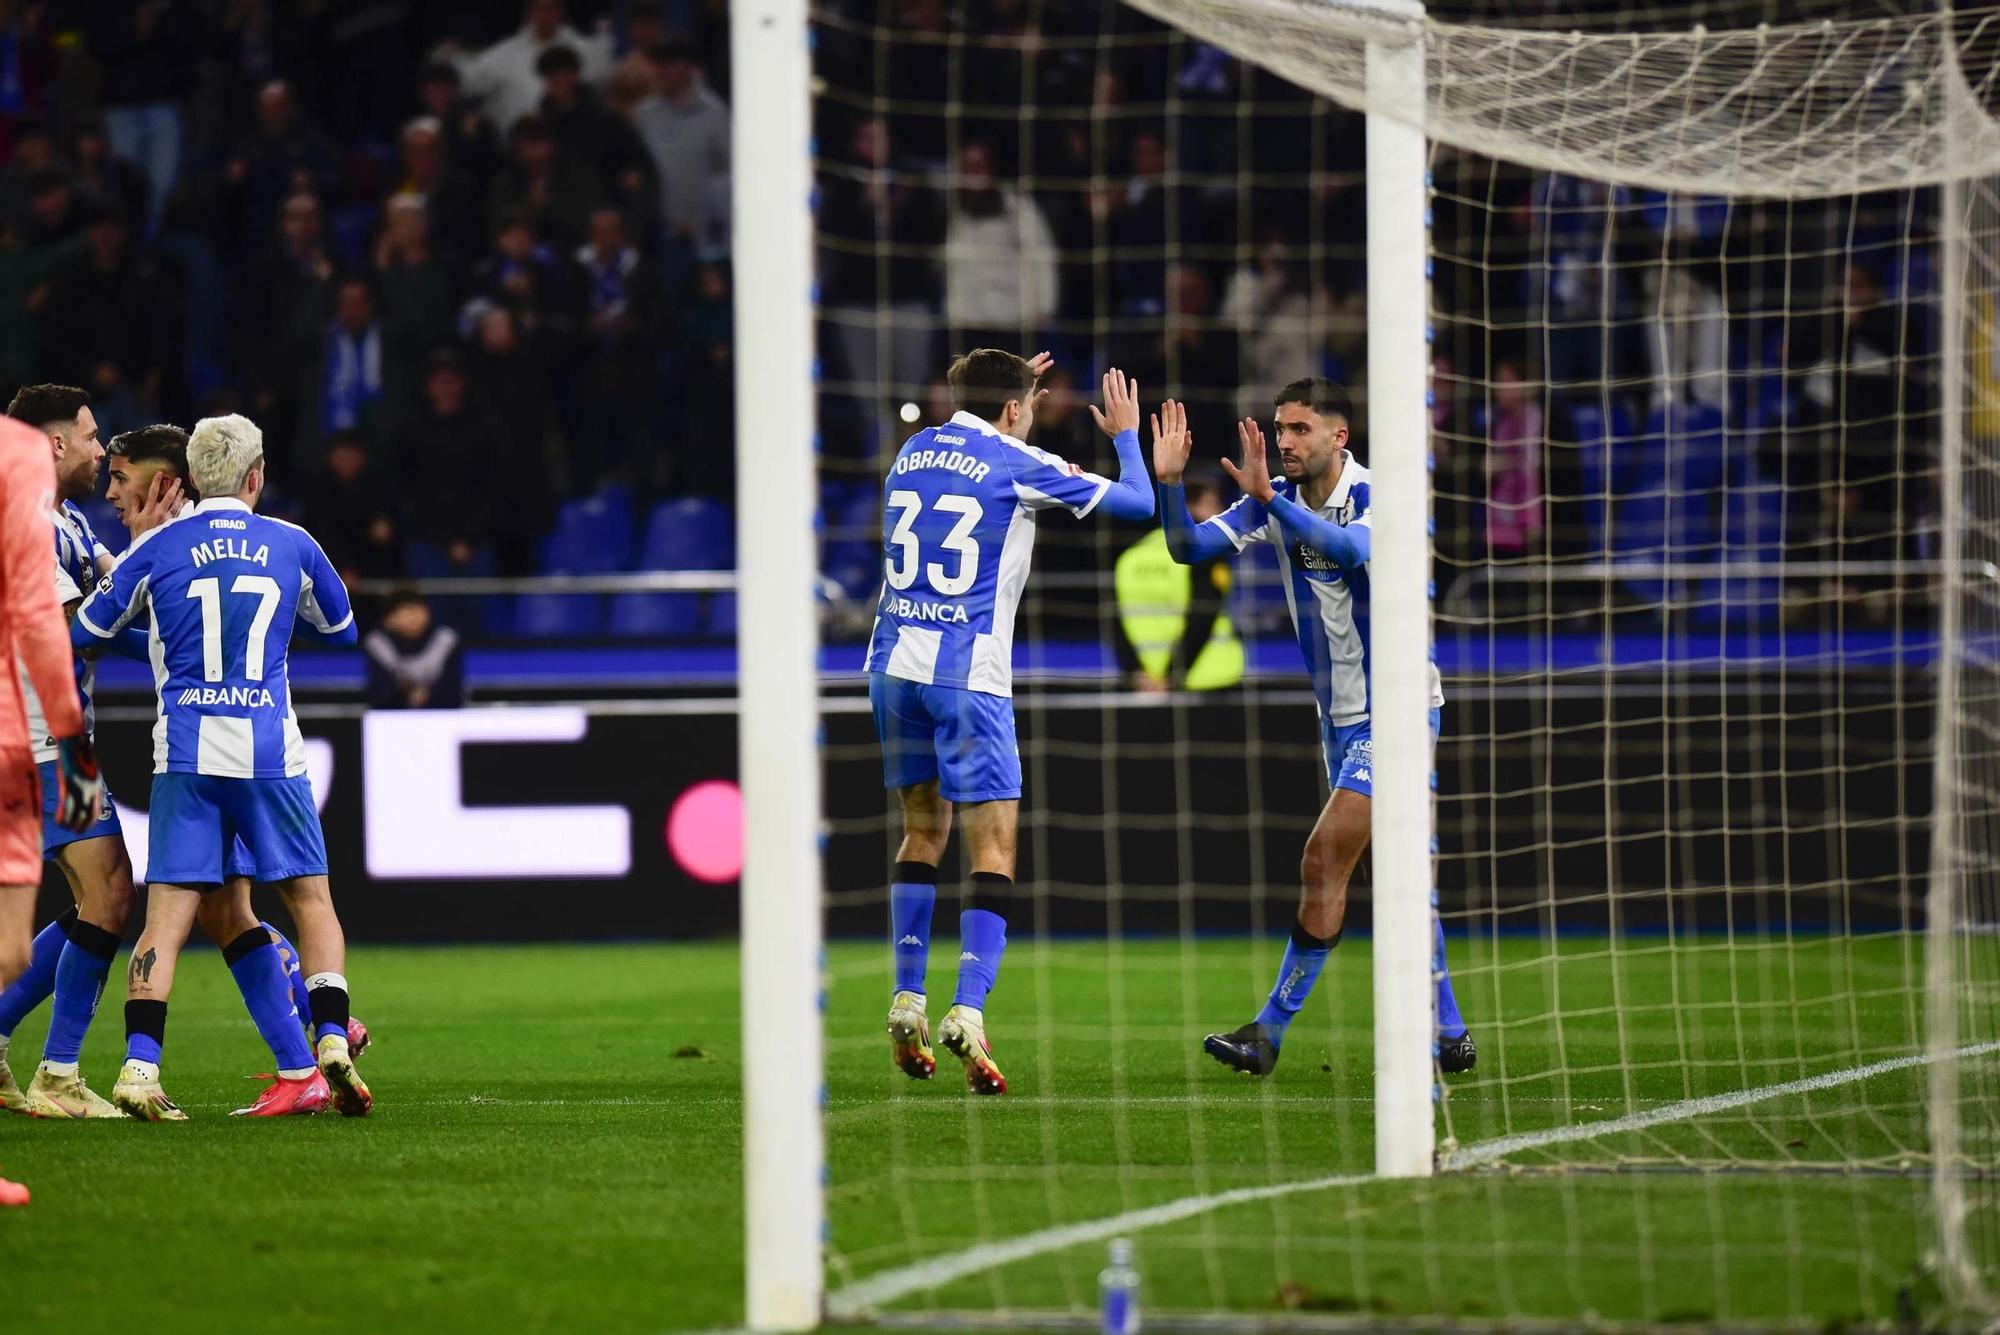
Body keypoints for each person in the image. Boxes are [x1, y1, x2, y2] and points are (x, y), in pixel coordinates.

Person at [1152, 377, 1476, 1077]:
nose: (1285, 442)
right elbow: (1186, 548)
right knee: (1391, 871)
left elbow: (1355, 552)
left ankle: (1268, 1029)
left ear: (1340, 436)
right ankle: (1448, 1029)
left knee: (1322, 859)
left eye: (1300, 429)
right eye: (1280, 428)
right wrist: (1170, 484)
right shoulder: (1275, 501)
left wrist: (1269, 500)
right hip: (1338, 717)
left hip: (1397, 708)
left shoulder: (1377, 493)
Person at [867, 350, 1155, 1094]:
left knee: (920, 831)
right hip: (969, 678)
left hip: (893, 667)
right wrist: (1126, 436)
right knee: (991, 845)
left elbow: (976, 422)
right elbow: (1137, 504)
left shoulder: (913, 447)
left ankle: (906, 994)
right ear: (1017, 408)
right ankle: (968, 1009)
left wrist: (1003, 390)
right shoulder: (1018, 459)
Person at [72, 414, 370, 1120]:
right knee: (309, 902)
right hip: (271, 753)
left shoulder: (159, 544)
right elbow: (343, 628)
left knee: (169, 917)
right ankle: (329, 1035)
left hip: (187, 754)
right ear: (256, 476)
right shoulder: (292, 542)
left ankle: (139, 1067)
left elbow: (87, 629)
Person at [0, 405, 101, 1202]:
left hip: (41, 736)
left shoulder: (69, 520)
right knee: (109, 892)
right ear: (55, 442)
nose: (103, 450)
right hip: (41, 739)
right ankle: (57, 1071)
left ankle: (11, 1042)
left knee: (97, 898)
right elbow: (67, 630)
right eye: (93, 436)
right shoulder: (33, 512)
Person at [1113, 469, 1242, 693]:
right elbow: (1201, 619)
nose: (1220, 512)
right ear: (1190, 508)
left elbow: (1116, 623)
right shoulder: (1203, 552)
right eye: (1212, 505)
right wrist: (1172, 676)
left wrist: (1135, 672)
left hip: (1146, 683)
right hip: (1209, 678)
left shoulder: (1131, 556)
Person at [364, 590, 464, 710]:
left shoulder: (446, 641)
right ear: (388, 620)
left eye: (419, 608)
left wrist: (427, 694)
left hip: (440, 716)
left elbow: (454, 694)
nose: (415, 616)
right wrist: (406, 692)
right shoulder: (377, 644)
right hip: (392, 718)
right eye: (406, 610)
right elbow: (378, 695)